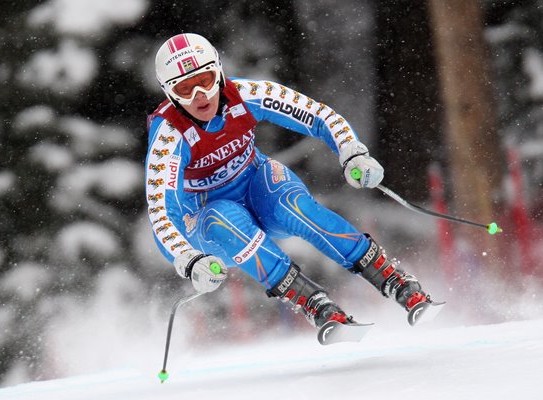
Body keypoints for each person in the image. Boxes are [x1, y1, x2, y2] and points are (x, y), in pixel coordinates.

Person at [146, 33, 440, 341]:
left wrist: (351, 151)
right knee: (224, 218)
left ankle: (394, 280)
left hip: (256, 190)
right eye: (184, 89)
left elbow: (317, 115)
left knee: (291, 204)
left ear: (219, 72)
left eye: (205, 80)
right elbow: (161, 211)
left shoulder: (245, 94)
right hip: (209, 221)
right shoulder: (169, 137)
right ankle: (313, 303)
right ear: (169, 93)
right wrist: (189, 259)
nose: (199, 96)